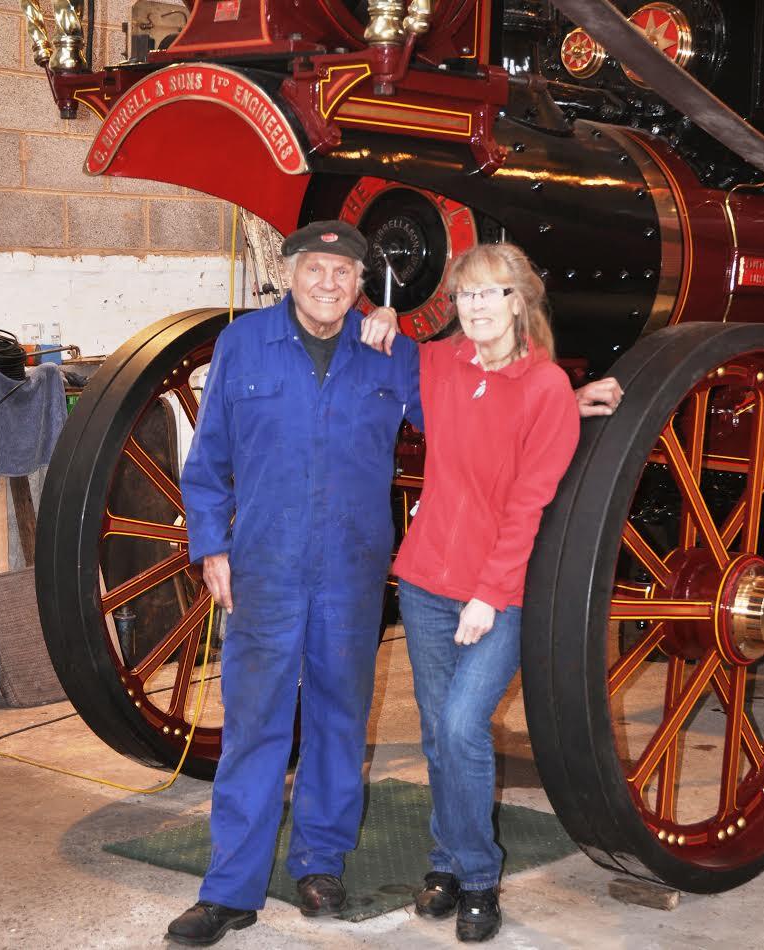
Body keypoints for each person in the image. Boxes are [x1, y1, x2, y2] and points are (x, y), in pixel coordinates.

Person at [168, 220, 422, 946]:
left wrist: (411, 338)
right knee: (255, 726)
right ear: (289, 273)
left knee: (340, 719)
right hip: (265, 566)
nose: (329, 283)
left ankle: (320, 862)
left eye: (344, 273)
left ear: (360, 284)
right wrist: (211, 545)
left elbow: (454, 413)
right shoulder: (242, 344)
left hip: (351, 566)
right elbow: (208, 457)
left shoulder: (385, 352)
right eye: (316, 269)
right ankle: (230, 891)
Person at [366, 243, 584, 942]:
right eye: (465, 295)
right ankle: (446, 864)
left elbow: (527, 505)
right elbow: (383, 353)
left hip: (499, 592)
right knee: (437, 735)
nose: (478, 307)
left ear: (520, 302)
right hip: (428, 578)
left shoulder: (545, 387)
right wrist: (374, 320)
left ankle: (479, 878)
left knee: (463, 726)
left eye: (492, 293)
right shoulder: (443, 364)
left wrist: (489, 594)